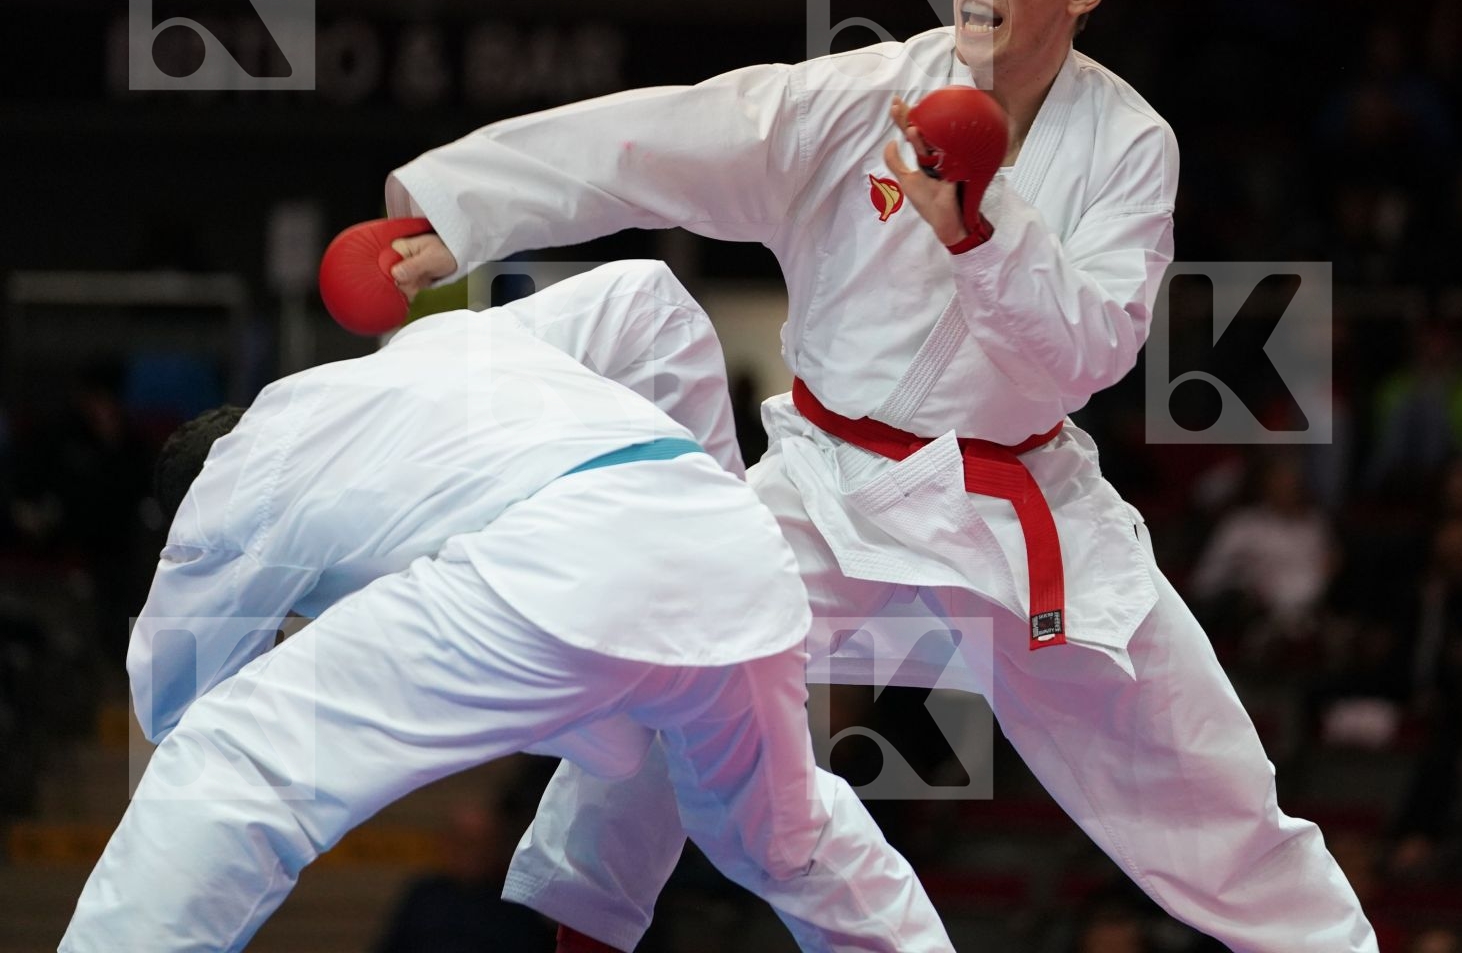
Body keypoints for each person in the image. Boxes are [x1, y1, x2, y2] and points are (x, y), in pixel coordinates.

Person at [383, 0, 1377, 952]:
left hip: (1018, 510)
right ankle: (578, 940)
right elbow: (655, 140)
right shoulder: (862, 98)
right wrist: (459, 209)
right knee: (665, 661)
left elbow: (1093, 353)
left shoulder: (1132, 144)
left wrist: (983, 230)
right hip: (828, 488)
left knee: (1207, 783)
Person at [59, 260, 951, 953]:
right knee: (784, 841)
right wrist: (710, 486)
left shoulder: (229, 482)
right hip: (733, 557)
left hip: (563, 570)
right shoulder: (437, 347)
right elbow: (651, 300)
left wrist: (252, 656)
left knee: (231, 762)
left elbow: (174, 709)